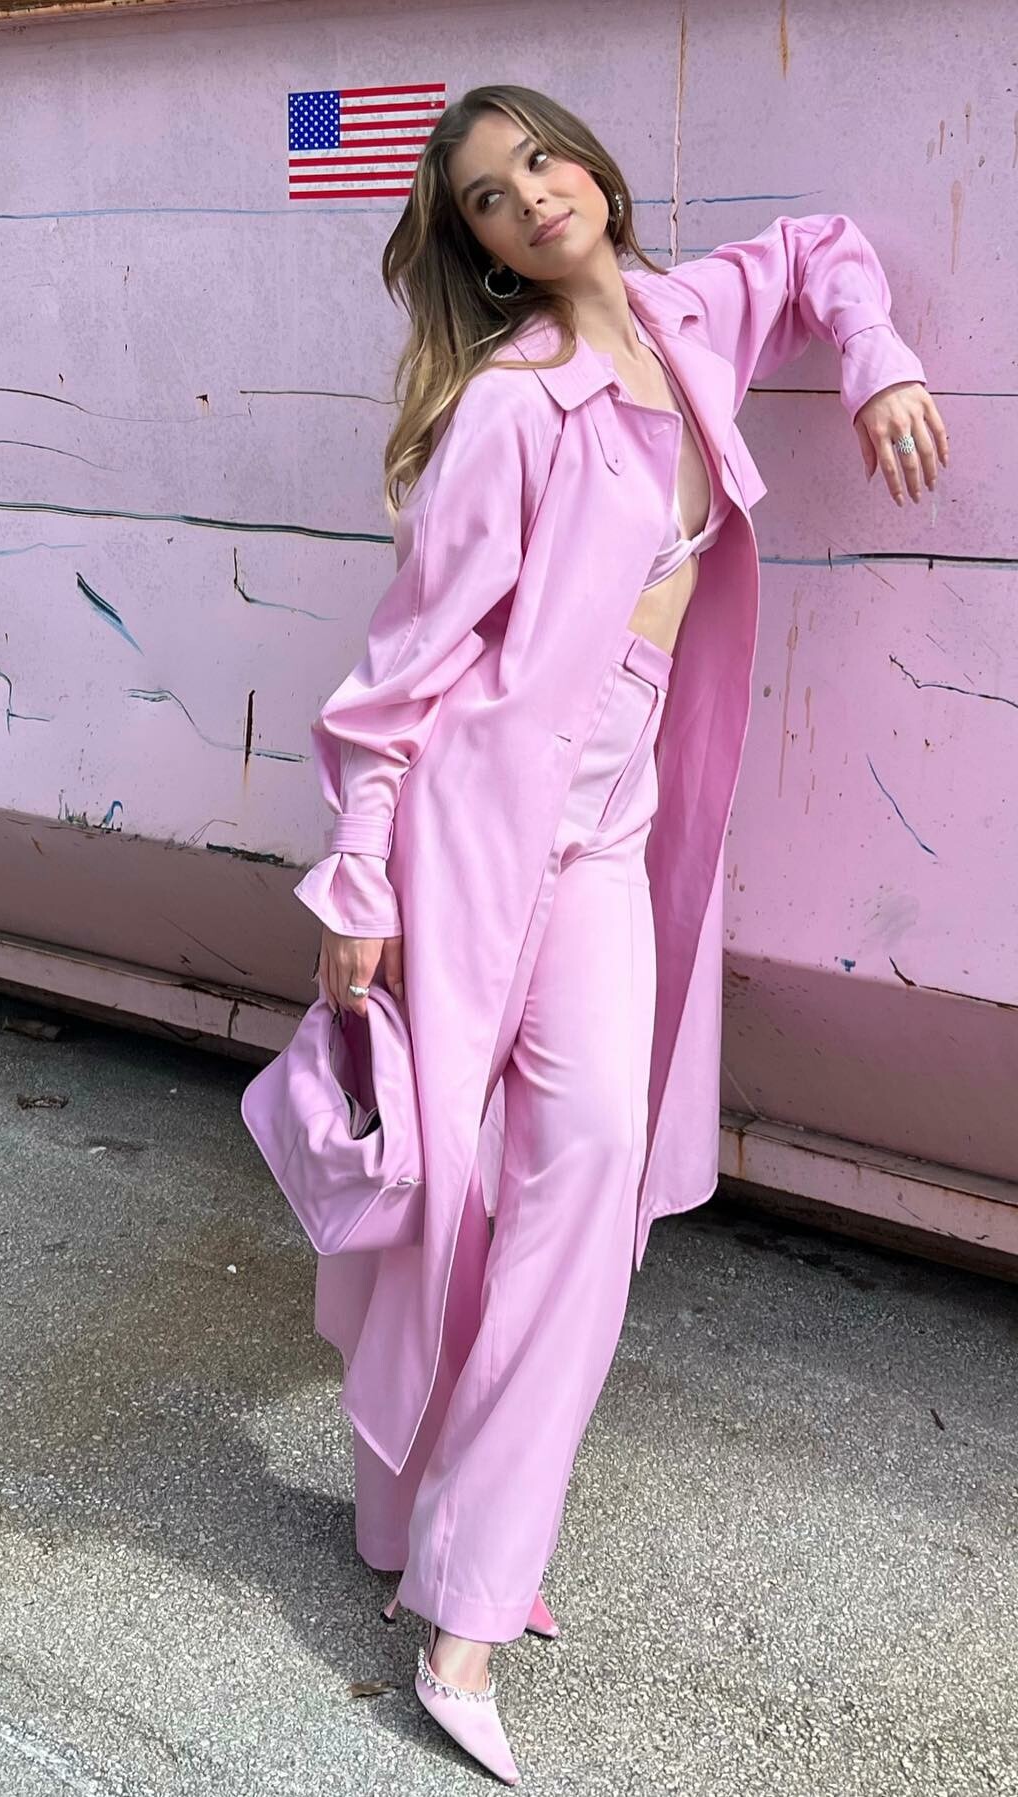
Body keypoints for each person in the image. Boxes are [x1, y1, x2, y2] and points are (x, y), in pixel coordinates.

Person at [289, 83, 948, 1785]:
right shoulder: (511, 408)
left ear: (589, 166)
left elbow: (820, 250)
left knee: (583, 1169)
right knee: (444, 1185)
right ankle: (422, 1526)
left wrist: (876, 358)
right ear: (484, 252)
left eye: (539, 161)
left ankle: (467, 1593)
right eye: (488, 199)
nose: (530, 198)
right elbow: (406, 667)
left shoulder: (687, 315)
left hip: (610, 831)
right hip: (473, 827)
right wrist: (361, 879)